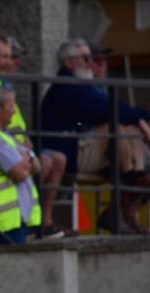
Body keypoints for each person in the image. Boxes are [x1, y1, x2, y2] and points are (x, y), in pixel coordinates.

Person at [41, 38, 150, 233]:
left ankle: (128, 193)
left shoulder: (86, 85)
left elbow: (113, 110)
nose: (93, 63)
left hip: (87, 148)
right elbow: (108, 111)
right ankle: (131, 181)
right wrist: (142, 119)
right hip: (69, 150)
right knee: (119, 126)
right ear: (69, 62)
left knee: (126, 130)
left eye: (99, 60)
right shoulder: (69, 85)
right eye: (88, 58)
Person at [4, 36, 69, 238]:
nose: (18, 62)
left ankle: (45, 220)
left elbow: (19, 126)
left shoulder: (5, 84)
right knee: (43, 163)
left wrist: (28, 146)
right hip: (4, 145)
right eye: (12, 57)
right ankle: (30, 222)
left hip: (20, 143)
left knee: (58, 159)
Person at [0, 86, 42, 244]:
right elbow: (20, 172)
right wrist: (27, 159)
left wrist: (26, 160)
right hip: (0, 224)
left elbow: (37, 165)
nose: (14, 111)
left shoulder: (5, 137)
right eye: (11, 106)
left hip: (11, 222)